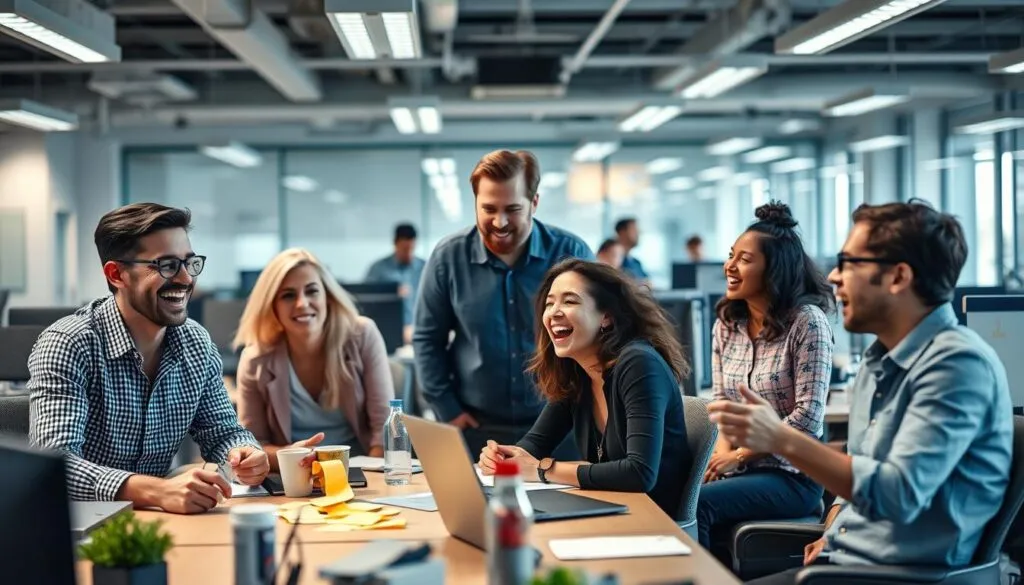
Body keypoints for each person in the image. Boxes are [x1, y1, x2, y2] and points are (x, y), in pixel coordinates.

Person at [710, 201, 1012, 584]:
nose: (834, 277)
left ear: (898, 277)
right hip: (846, 562)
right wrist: (835, 531)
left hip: (901, 577)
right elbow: (862, 466)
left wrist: (781, 438)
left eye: (849, 263)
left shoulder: (957, 365)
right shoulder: (878, 361)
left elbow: (897, 492)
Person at [28, 203, 268, 514]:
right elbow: (55, 467)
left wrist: (243, 452)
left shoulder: (195, 343)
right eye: (166, 265)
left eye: (189, 263)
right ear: (117, 274)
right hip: (78, 530)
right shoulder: (69, 344)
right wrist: (157, 490)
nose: (185, 279)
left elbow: (223, 432)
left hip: (159, 522)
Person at [478, 259, 692, 519]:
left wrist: (543, 469)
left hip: (651, 521)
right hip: (609, 508)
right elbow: (535, 444)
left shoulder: (638, 364)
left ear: (606, 318)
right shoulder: (579, 370)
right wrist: (504, 457)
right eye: (549, 303)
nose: (554, 312)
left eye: (569, 301)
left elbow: (640, 473)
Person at [414, 149, 594, 455]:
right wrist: (448, 410)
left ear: (534, 203)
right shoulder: (448, 258)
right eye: (488, 208)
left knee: (568, 504)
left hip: (561, 428)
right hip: (476, 429)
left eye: (512, 209)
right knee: (473, 505)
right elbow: (427, 339)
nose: (499, 222)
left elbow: (596, 341)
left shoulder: (570, 253)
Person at [696, 202, 834, 551]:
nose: (730, 266)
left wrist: (739, 456)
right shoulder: (727, 324)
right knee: (674, 489)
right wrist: (722, 458)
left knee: (699, 503)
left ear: (774, 269)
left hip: (793, 475)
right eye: (731, 256)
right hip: (740, 466)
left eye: (744, 259)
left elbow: (807, 418)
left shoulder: (807, 322)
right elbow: (722, 403)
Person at [235, 248, 394, 471]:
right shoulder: (256, 359)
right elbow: (252, 445)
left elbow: (384, 430)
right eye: (288, 295)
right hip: (293, 478)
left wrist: (370, 480)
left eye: (312, 291)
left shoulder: (362, 335)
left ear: (327, 297)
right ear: (273, 306)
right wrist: (291, 457)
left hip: (360, 475)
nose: (302, 303)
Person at [365, 223, 426, 344]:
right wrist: (390, 292)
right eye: (404, 249)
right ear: (395, 243)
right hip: (386, 333)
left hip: (418, 332)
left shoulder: (425, 267)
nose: (408, 253)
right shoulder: (379, 269)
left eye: (411, 249)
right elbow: (367, 301)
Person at [615, 217, 649, 283]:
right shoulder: (612, 260)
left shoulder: (636, 263)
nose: (639, 233)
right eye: (634, 230)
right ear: (622, 232)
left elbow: (648, 283)